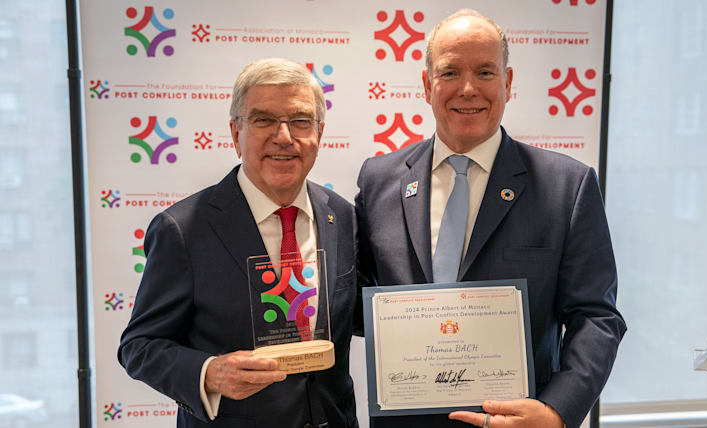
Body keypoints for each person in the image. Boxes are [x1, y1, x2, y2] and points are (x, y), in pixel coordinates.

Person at [355, 9, 626, 428]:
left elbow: (597, 317)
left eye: (485, 72)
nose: (468, 89)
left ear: (508, 83)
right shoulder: (379, 181)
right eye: (450, 72)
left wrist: (557, 412)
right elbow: (357, 303)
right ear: (427, 84)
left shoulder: (566, 187)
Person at [119, 58, 359, 428]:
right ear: (235, 133)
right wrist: (210, 372)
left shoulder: (341, 216)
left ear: (319, 133)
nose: (284, 136)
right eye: (263, 120)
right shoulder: (183, 229)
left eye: (300, 121)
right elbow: (139, 346)